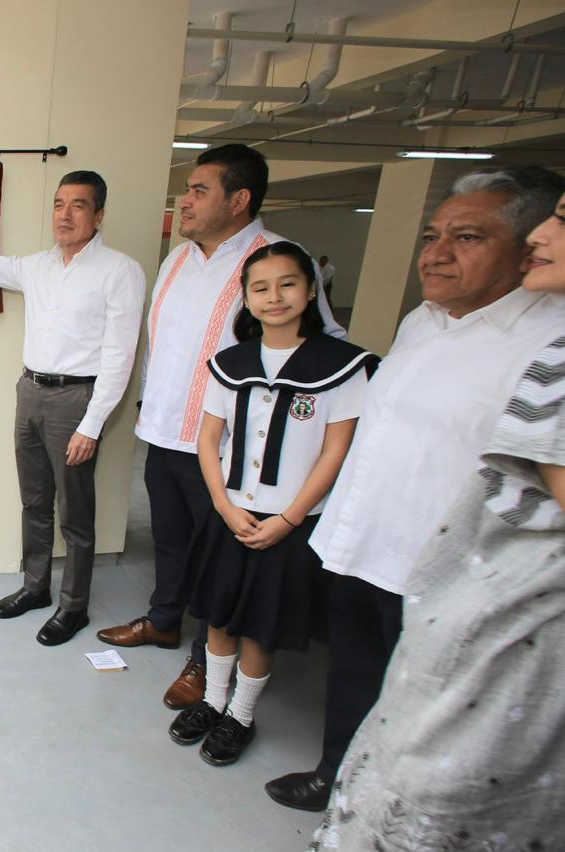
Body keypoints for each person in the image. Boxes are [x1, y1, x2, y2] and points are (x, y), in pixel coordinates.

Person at [266, 166, 565, 813]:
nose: (436, 254)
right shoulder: (424, 320)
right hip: (369, 543)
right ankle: (337, 776)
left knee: (431, 710)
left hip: (446, 572)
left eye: (466, 238)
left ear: (528, 242)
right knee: (355, 674)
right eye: (433, 234)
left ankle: (394, 807)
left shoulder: (555, 343)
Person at [97, 144, 345, 712]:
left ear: (240, 199)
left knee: (221, 559)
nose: (184, 201)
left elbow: (323, 341)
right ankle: (164, 621)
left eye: (198, 191)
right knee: (170, 541)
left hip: (230, 450)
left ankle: (207, 660)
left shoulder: (273, 258)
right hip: (164, 430)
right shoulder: (178, 259)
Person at [167, 241, 375, 767]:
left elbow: (336, 451)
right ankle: (212, 702)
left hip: (290, 523)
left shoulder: (343, 367)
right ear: (246, 298)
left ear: (310, 291)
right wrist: (223, 504)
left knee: (261, 625)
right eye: (260, 287)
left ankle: (240, 714)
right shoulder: (229, 363)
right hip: (230, 513)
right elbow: (209, 441)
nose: (274, 297)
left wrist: (288, 518)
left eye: (287, 284)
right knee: (218, 615)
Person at [0, 171, 145, 646]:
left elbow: (120, 357)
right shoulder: (38, 265)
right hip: (30, 392)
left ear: (99, 215)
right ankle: (36, 588)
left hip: (77, 400)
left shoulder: (120, 271)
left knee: (75, 514)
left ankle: (74, 606)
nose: (64, 214)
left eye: (78, 205)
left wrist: (93, 424)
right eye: (59, 204)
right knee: (34, 501)